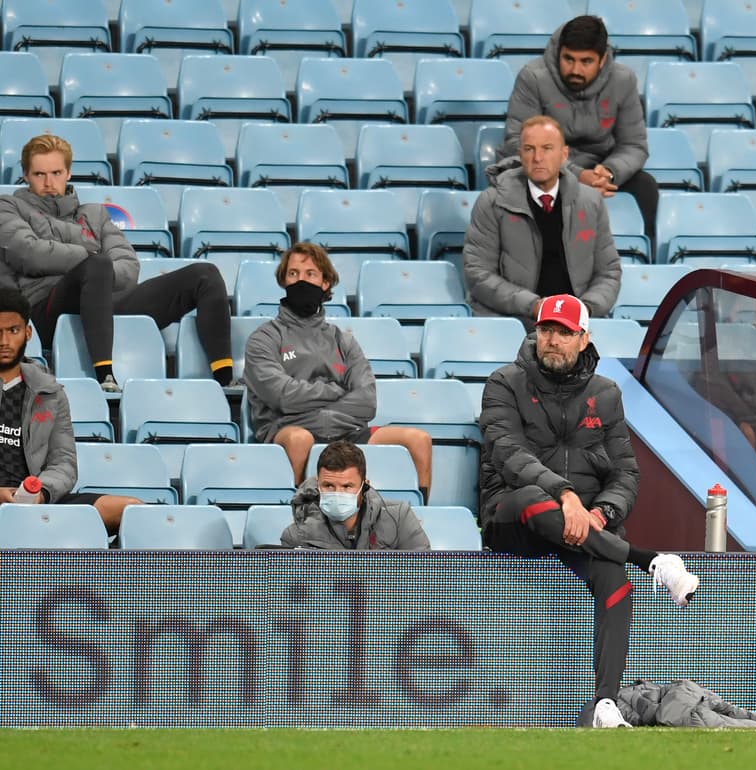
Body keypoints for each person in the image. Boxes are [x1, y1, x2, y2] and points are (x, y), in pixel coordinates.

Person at [479, 293, 699, 728]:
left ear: (583, 338)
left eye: (564, 332)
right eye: (546, 331)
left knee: (616, 582)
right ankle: (651, 560)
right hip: (515, 517)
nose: (553, 340)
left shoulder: (606, 394)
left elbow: (626, 474)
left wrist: (601, 515)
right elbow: (508, 453)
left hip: (583, 527)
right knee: (530, 497)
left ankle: (604, 704)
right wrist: (565, 495)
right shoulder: (504, 383)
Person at [0, 134, 233, 392]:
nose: (48, 182)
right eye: (39, 174)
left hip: (103, 299)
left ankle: (225, 379)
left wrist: (95, 271)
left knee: (205, 274)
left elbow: (128, 268)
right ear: (25, 175)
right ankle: (104, 376)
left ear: (68, 172)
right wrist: (90, 257)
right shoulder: (9, 207)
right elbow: (31, 254)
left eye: (56, 172)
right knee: (98, 264)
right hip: (45, 308)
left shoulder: (95, 214)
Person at [243, 242, 433, 497]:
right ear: (283, 281)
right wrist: (337, 390)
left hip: (346, 433)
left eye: (310, 274)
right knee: (300, 439)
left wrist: (326, 412)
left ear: (325, 283)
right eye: (293, 274)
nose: (301, 280)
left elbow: (367, 401)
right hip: (288, 427)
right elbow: (282, 396)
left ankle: (420, 517)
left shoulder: (343, 341)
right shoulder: (264, 338)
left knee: (418, 440)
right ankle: (298, 512)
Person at [500, 15, 658, 246]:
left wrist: (609, 172)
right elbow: (517, 142)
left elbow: (634, 145)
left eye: (586, 61)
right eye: (568, 59)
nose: (575, 69)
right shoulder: (533, 77)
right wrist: (576, 174)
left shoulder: (623, 81)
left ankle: (647, 257)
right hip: (541, 165)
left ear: (602, 59)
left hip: (598, 167)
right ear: (558, 53)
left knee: (646, 186)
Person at [0, 288, 140, 530]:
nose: (4, 341)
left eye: (13, 331)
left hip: (36, 499)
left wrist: (41, 492)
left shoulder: (50, 392)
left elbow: (63, 462)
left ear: (28, 333)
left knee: (134, 511)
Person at [464, 115, 621, 328]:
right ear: (520, 154)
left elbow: (608, 272)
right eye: (529, 149)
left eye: (547, 148)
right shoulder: (492, 202)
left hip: (576, 324)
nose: (538, 157)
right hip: (512, 320)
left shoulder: (590, 202)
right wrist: (534, 306)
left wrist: (586, 308)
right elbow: (478, 273)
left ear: (564, 154)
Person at [280, 440, 430, 550]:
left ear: (365, 485)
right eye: (328, 486)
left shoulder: (399, 518)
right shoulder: (296, 536)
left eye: (347, 486)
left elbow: (423, 576)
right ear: (318, 485)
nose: (337, 493)